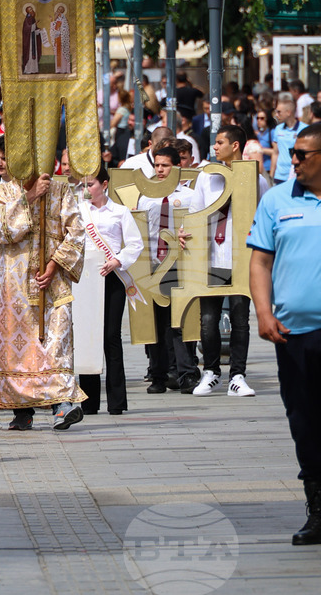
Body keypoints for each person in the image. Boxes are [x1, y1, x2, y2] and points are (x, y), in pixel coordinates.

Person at [249, 123, 321, 545]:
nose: (293, 161)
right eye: (292, 153)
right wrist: (263, 312)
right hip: (293, 333)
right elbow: (260, 261)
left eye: (302, 154)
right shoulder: (277, 200)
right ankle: (318, 509)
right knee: (304, 420)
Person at [0, 162, 87, 430]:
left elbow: (77, 232)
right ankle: (22, 411)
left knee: (54, 345)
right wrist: (29, 197)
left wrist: (54, 265)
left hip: (53, 284)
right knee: (17, 351)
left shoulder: (60, 191)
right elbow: (3, 231)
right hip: (13, 287)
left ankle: (62, 406)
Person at [183, 127, 271, 398]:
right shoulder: (206, 177)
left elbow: (264, 218)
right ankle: (211, 372)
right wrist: (185, 233)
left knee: (240, 317)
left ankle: (238, 375)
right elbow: (194, 213)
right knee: (208, 319)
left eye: (220, 142)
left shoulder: (256, 179)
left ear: (235, 146)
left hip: (243, 256)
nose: (214, 147)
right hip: (212, 255)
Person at [77, 168, 143, 415]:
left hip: (112, 277)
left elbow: (135, 243)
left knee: (111, 336)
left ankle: (117, 402)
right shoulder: (79, 210)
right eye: (84, 185)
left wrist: (117, 260)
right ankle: (89, 402)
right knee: (88, 336)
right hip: (86, 279)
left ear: (104, 184)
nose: (86, 189)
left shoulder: (120, 211)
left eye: (91, 184)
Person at [137, 145, 198, 394]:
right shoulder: (145, 196)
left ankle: (186, 373)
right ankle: (158, 375)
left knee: (180, 320)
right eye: (157, 165)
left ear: (178, 167)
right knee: (156, 323)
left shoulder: (190, 196)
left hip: (180, 264)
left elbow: (198, 227)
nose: (160, 170)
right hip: (152, 263)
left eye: (165, 165)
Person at [271, 98, 308, 183]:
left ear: (288, 112)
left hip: (296, 174)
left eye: (279, 112)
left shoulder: (304, 129)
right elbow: (275, 153)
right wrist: (272, 175)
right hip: (279, 175)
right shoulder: (278, 129)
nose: (276, 115)